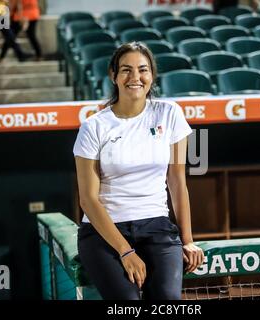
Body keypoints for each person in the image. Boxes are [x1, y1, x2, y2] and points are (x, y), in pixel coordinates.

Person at [73, 42, 205, 300]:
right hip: (105, 233)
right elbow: (88, 199)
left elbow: (177, 181)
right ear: (113, 75)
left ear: (152, 75)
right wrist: (125, 251)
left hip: (157, 226)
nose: (135, 77)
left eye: (143, 70)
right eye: (126, 70)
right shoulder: (93, 127)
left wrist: (188, 240)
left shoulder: (170, 113)